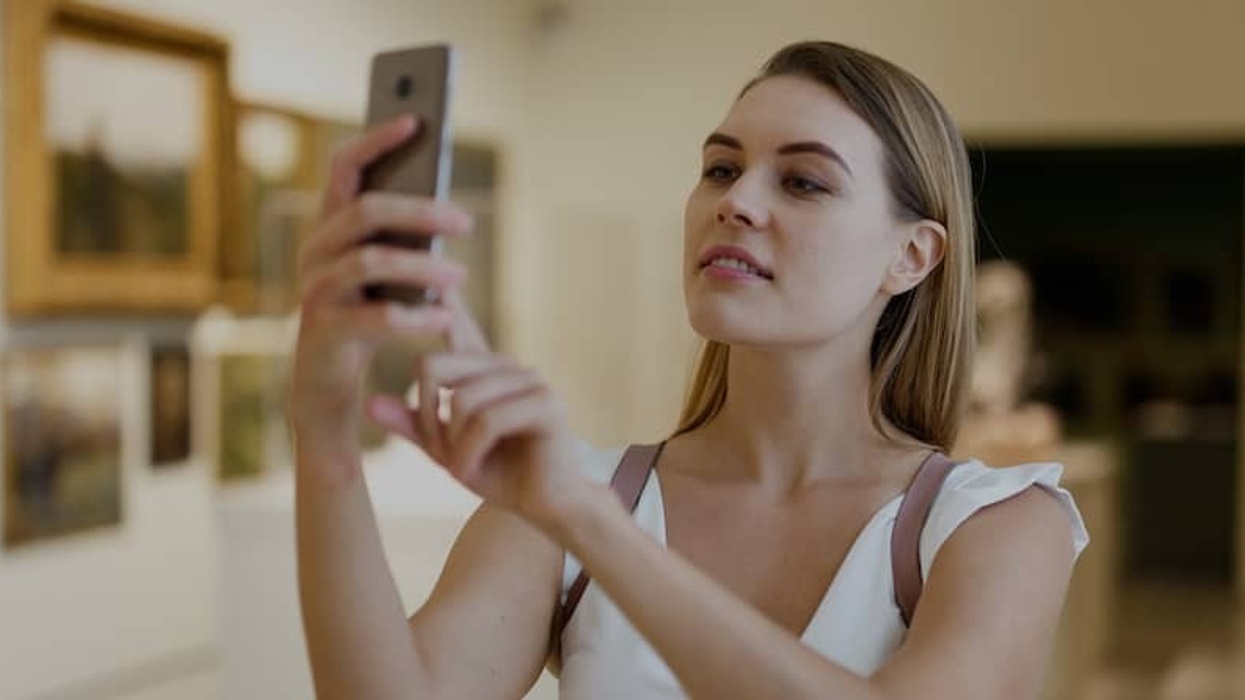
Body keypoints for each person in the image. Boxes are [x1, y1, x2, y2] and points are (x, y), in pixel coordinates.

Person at [289, 40, 1089, 700]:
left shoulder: (997, 525)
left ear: (910, 256)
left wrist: (590, 527)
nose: (735, 201)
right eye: (719, 168)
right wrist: (322, 426)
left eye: (802, 181)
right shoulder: (563, 502)